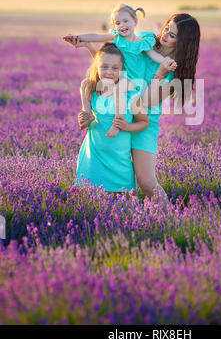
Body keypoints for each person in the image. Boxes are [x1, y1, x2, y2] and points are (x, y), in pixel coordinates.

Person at [64, 11, 200, 205]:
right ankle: (118, 217)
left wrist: (160, 73)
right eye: (166, 28)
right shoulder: (144, 41)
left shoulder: (174, 74)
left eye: (172, 35)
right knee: (105, 178)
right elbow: (111, 67)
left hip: (145, 124)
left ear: (184, 42)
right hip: (119, 116)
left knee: (146, 182)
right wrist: (87, 45)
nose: (164, 35)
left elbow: (144, 102)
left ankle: (170, 217)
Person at [63, 3, 176, 138]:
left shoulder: (142, 43)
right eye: (117, 23)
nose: (122, 25)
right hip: (118, 79)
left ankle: (117, 123)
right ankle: (87, 114)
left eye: (125, 21)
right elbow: (96, 36)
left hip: (134, 84)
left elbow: (154, 55)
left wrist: (165, 62)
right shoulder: (116, 38)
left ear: (135, 21)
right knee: (86, 83)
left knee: (119, 88)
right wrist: (78, 37)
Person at [75, 42, 149, 197]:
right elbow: (86, 117)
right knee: (91, 205)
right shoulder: (93, 92)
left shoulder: (131, 96)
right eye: (104, 67)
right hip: (94, 157)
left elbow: (144, 122)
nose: (109, 72)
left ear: (122, 70)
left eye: (115, 68)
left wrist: (127, 127)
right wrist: (85, 119)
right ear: (97, 67)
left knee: (125, 203)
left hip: (119, 161)